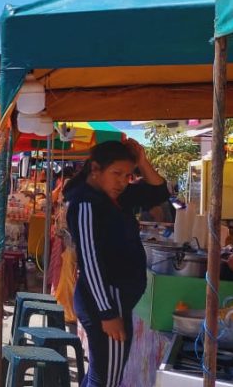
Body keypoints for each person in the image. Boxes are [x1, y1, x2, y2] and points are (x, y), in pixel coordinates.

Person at [65, 140, 167, 387]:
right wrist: (108, 313)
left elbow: (160, 192)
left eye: (128, 175)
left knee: (102, 376)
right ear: (96, 169)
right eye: (116, 174)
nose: (122, 181)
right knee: (106, 381)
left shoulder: (116, 197)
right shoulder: (86, 203)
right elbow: (90, 261)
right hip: (105, 302)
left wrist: (141, 160)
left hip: (114, 301)